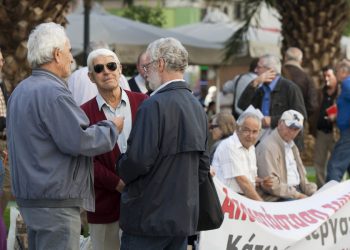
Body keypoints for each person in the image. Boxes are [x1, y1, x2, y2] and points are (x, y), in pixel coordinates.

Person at [6, 22, 124, 250]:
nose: (71, 58)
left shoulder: (20, 91)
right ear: (57, 54)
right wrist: (111, 128)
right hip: (55, 204)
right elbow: (79, 141)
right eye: (69, 51)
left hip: (32, 201)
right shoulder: (54, 92)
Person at [117, 37, 210, 250]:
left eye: (147, 66)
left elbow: (138, 161)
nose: (145, 73)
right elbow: (202, 167)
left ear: (160, 64)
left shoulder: (153, 105)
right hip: (181, 219)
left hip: (147, 219)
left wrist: (120, 164)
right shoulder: (197, 108)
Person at [81, 48, 148, 250]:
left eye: (111, 66)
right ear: (91, 77)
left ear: (120, 70)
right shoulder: (83, 113)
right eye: (99, 69)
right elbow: (85, 160)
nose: (106, 72)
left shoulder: (144, 103)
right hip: (104, 206)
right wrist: (117, 183)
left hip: (143, 203)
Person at [238, 54, 307, 149]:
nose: (255, 70)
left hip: (285, 144)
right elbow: (242, 105)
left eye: (259, 67)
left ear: (270, 70)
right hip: (262, 142)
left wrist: (272, 120)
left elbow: (300, 116)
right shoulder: (260, 89)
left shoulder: (290, 88)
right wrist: (254, 83)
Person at [256, 110, 317, 201]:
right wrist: (298, 196)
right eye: (290, 127)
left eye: (296, 129)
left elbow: (303, 179)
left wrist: (313, 191)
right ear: (280, 123)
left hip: (294, 193)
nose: (292, 132)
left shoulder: (292, 145)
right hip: (278, 198)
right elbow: (272, 186)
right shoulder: (267, 146)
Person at [212, 112, 272, 201]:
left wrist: (261, 181)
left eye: (255, 131)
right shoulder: (229, 145)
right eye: (246, 130)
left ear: (259, 132)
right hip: (226, 201)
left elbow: (249, 178)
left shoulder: (250, 147)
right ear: (237, 128)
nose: (250, 135)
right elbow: (242, 181)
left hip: (240, 200)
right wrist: (262, 206)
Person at [68, 41, 131, 106]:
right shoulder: (118, 75)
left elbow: (68, 102)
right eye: (98, 68)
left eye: (111, 66)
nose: (106, 72)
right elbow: (129, 100)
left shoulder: (75, 75)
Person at [311, 66, 338, 187]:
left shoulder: (343, 92)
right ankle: (322, 190)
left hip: (337, 133)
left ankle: (338, 190)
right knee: (318, 163)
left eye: (329, 76)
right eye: (325, 76)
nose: (326, 79)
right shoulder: (320, 92)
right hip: (321, 132)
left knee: (337, 164)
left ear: (335, 76)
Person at [326, 59, 350, 182]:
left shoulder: (346, 83)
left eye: (337, 72)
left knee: (334, 167)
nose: (336, 74)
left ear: (343, 72)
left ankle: (329, 195)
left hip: (348, 132)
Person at [282, 47, 318, 118]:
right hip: (298, 123)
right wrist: (300, 116)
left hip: (275, 122)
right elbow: (312, 105)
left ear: (285, 58)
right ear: (300, 61)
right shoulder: (307, 78)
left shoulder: (276, 74)